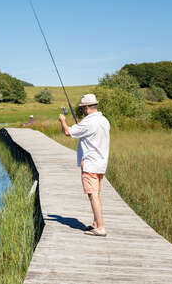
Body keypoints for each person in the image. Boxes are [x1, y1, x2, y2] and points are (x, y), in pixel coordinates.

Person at [58, 94, 110, 237]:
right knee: (96, 195)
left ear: (86, 108)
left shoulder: (88, 122)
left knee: (93, 195)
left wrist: (63, 120)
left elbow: (68, 132)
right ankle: (95, 223)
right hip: (101, 163)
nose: (82, 111)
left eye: (82, 108)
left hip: (90, 164)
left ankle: (100, 228)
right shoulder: (104, 120)